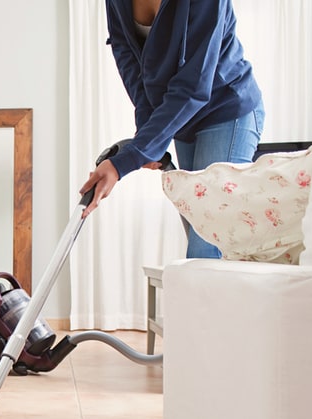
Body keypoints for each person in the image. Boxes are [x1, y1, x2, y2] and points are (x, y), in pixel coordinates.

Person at [80, 0, 265, 258]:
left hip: (225, 108)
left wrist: (128, 159)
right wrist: (147, 136)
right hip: (182, 119)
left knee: (207, 247)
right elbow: (128, 57)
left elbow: (194, 85)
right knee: (199, 233)